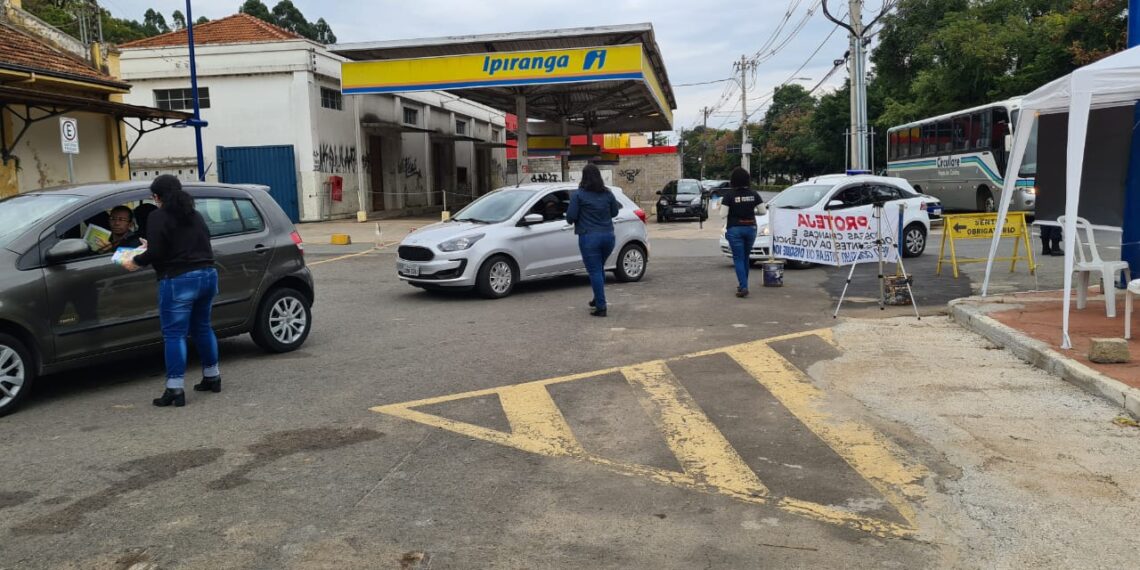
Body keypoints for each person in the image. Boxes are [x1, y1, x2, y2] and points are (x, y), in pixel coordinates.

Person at [122, 175, 220, 407]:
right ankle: (212, 376)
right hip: (208, 275)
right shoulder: (194, 215)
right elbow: (194, 242)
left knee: (174, 335)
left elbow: (157, 253)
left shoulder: (157, 216)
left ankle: (175, 389)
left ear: (157, 197)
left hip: (179, 280)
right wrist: (154, 247)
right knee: (202, 327)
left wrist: (136, 260)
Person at [566, 163, 620, 317]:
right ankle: (597, 298)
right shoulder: (608, 193)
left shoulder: (578, 195)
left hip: (589, 237)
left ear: (584, 177)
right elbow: (615, 212)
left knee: (595, 270)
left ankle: (601, 307)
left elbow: (570, 217)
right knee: (599, 268)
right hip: (608, 237)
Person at [720, 167, 765, 297]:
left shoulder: (729, 195)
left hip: (735, 229)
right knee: (745, 257)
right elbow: (763, 211)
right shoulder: (754, 194)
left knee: (738, 258)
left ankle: (744, 287)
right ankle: (743, 285)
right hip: (751, 228)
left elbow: (723, 214)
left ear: (733, 180)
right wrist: (751, 212)